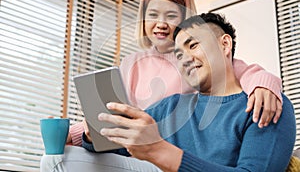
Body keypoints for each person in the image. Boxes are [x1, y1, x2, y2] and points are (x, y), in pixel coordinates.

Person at [67, 0, 283, 147]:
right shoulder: (131, 64)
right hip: (136, 150)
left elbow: (248, 73)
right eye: (153, 15)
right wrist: (73, 133)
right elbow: (111, 112)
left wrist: (263, 85)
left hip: (177, 151)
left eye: (171, 15)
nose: (160, 24)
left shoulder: (198, 59)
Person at [79, 12, 296, 171]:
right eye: (179, 56)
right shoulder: (169, 107)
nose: (185, 60)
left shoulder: (264, 104)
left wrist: (160, 151)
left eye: (193, 46)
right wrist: (93, 134)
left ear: (225, 44)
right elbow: (118, 149)